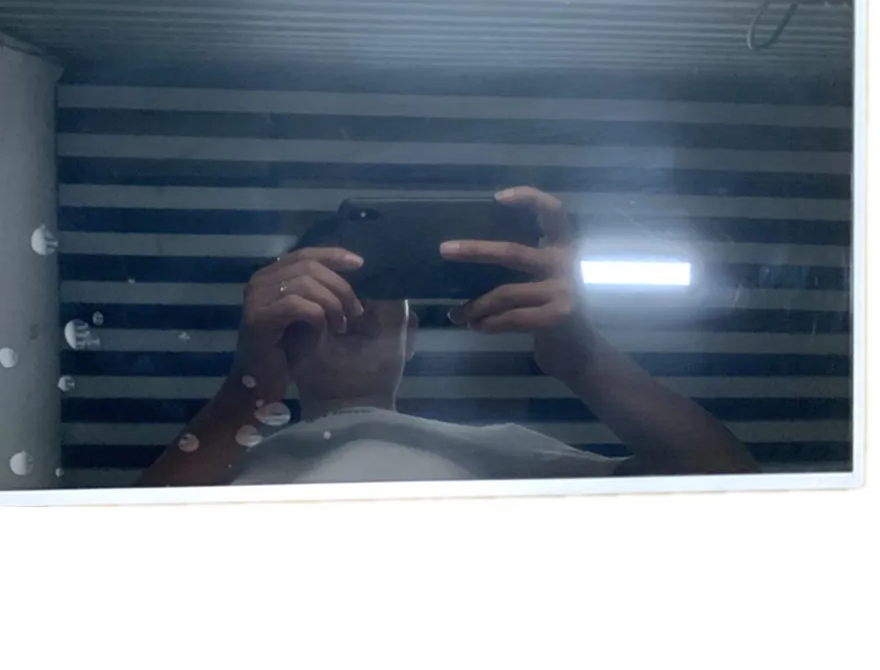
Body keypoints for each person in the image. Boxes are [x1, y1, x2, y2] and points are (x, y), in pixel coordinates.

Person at [137, 187, 759, 487]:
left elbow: (731, 493)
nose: (354, 303)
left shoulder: (504, 452)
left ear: (411, 332)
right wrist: (250, 389)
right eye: (328, 284)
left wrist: (584, 359)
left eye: (378, 282)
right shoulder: (225, 467)